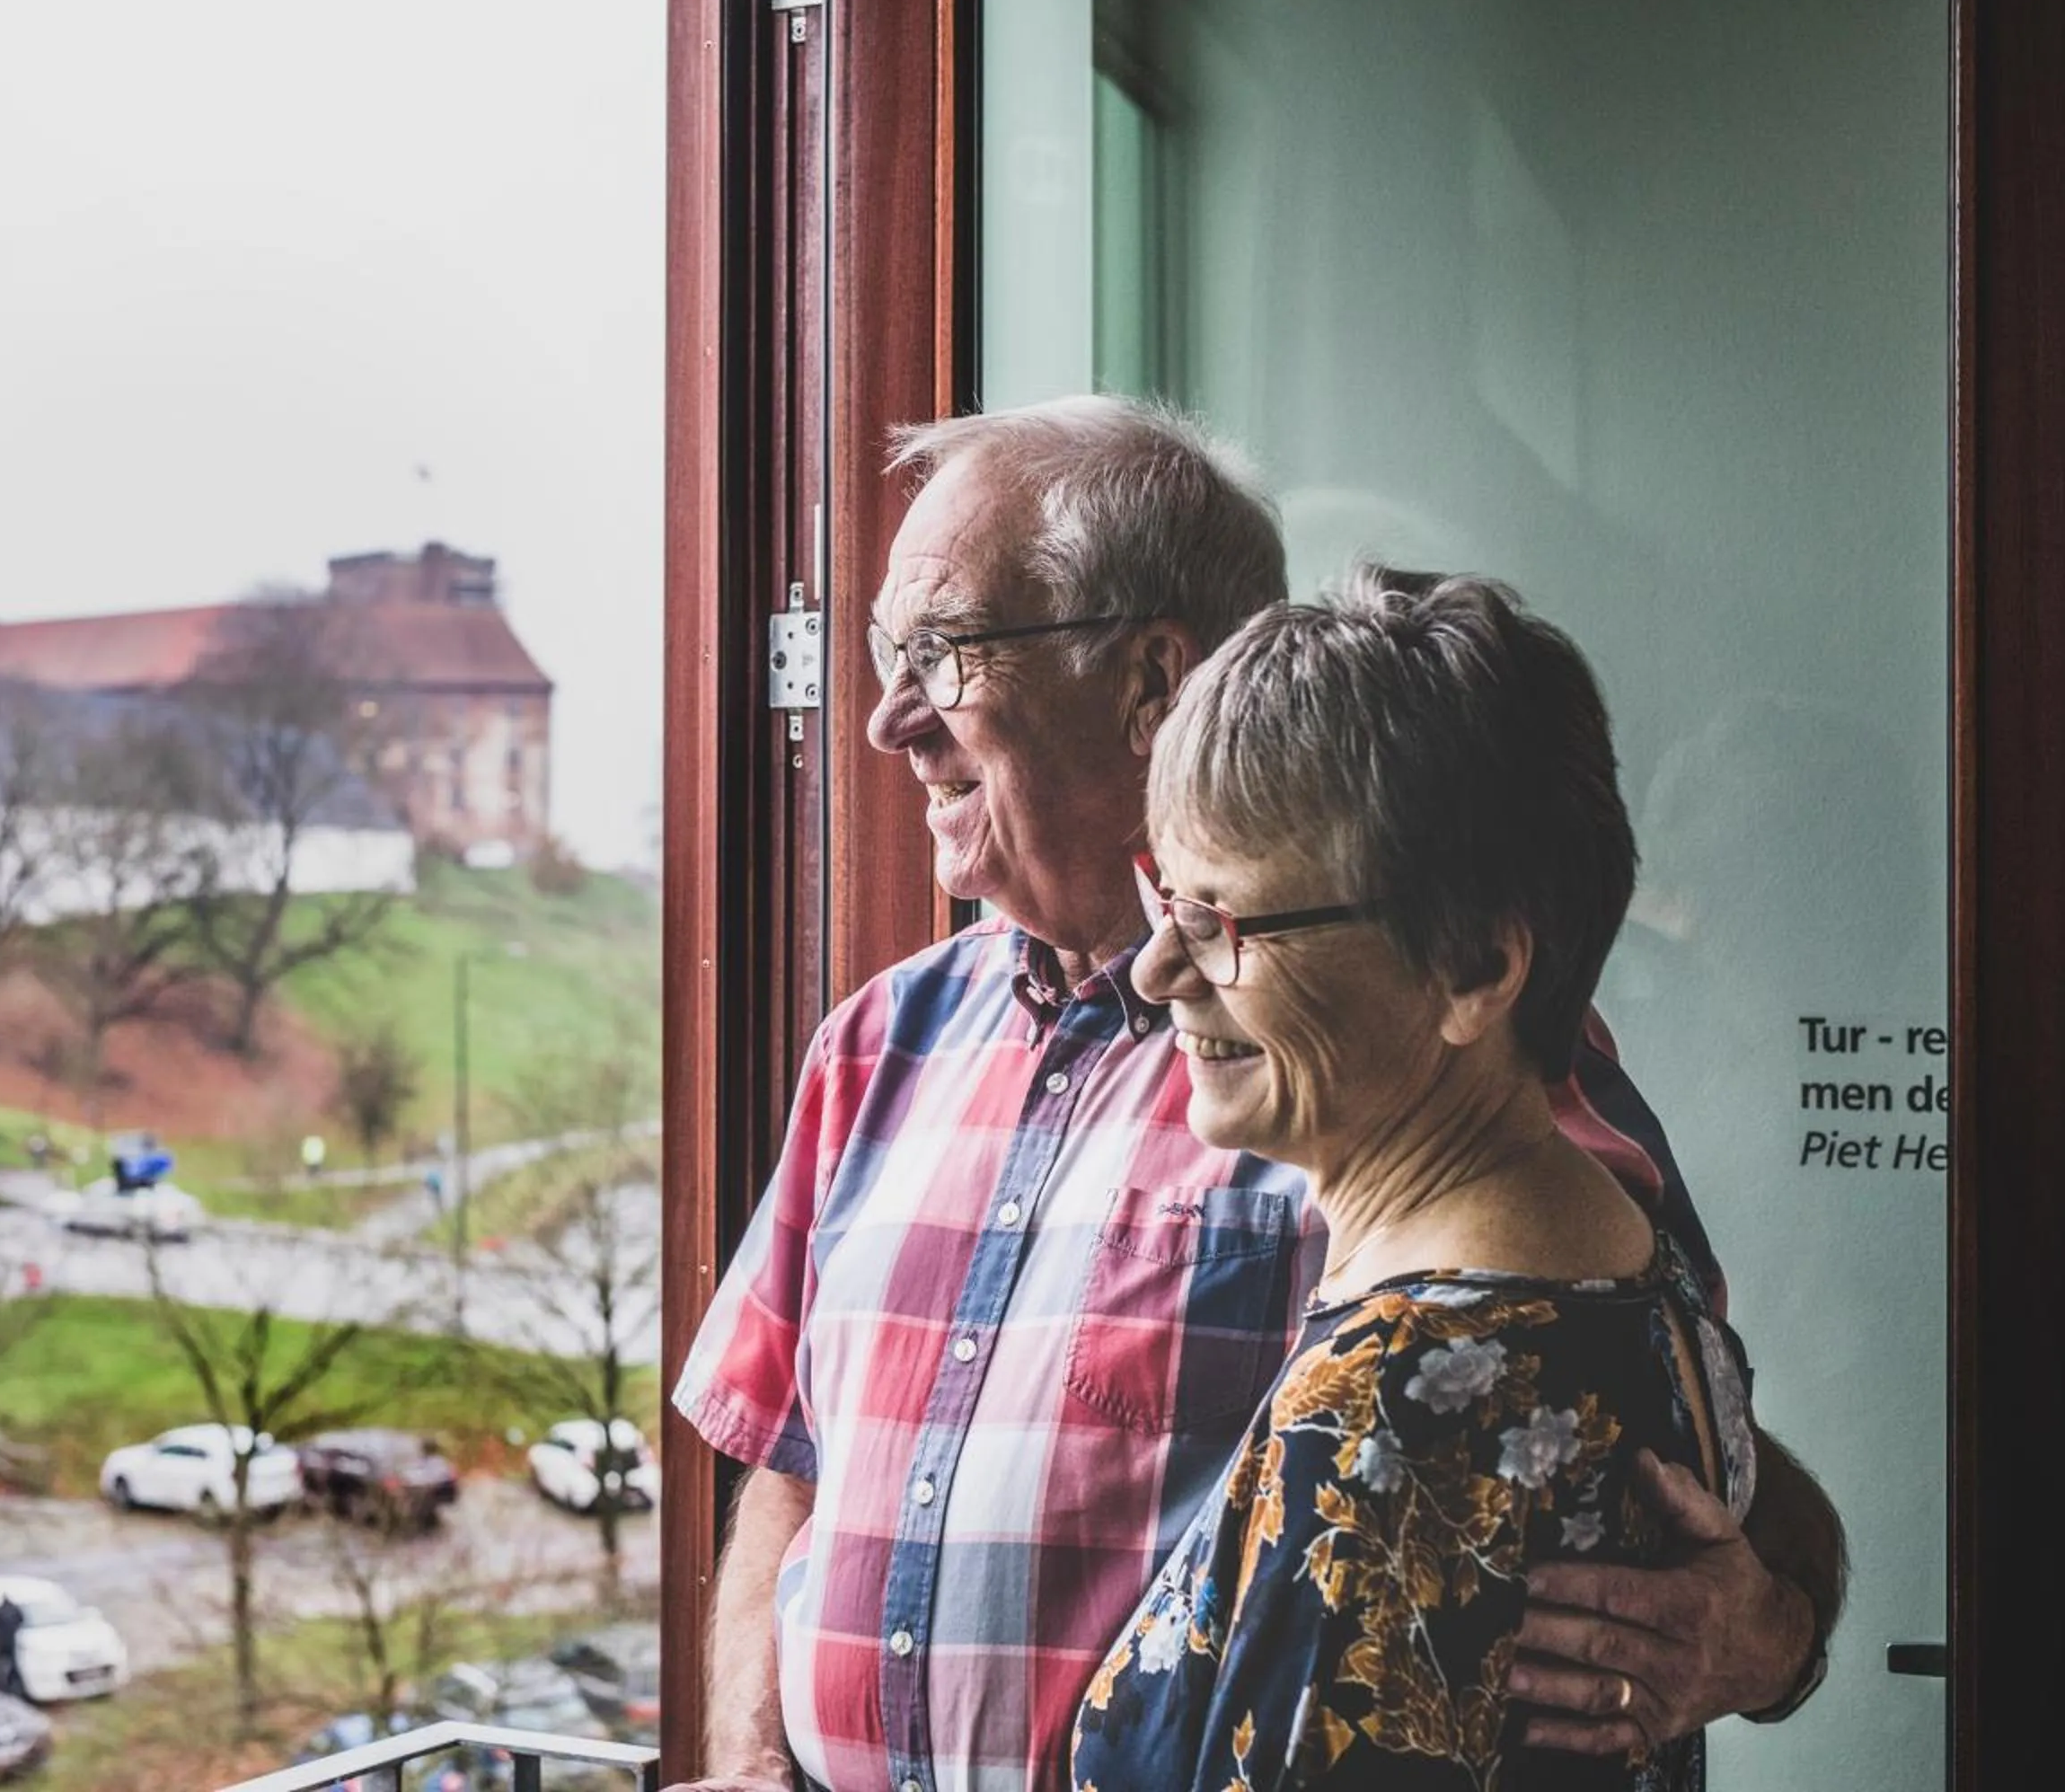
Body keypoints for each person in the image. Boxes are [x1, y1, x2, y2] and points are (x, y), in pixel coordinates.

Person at [669, 397, 1842, 1792]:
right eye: (882, 653)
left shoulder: (1405, 1058)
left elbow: (1662, 1427)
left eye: (946, 651)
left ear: (1154, 676)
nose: (886, 718)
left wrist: (1765, 1636)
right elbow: (793, 1464)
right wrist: (751, 1761)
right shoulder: (876, 1049)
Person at [1072, 569, 1752, 1789]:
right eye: (1162, 896)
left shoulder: (1385, 1412)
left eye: (1225, 923)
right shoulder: (1628, 1268)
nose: (1159, 970)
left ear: (1473, 970)